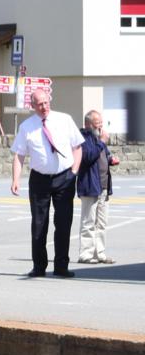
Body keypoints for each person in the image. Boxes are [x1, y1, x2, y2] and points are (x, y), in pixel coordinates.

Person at [10, 90, 83, 277]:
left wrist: (73, 172)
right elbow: (19, 155)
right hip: (39, 180)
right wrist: (16, 179)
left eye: (46, 102)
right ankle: (39, 266)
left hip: (64, 177)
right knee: (39, 224)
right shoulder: (27, 127)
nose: (44, 107)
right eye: (39, 104)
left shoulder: (64, 119)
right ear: (32, 106)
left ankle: (61, 266)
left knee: (63, 223)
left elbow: (77, 147)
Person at [76, 110, 117, 264]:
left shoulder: (99, 138)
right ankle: (86, 254)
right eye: (97, 123)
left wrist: (111, 159)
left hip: (103, 186)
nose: (100, 126)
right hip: (90, 185)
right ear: (88, 124)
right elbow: (87, 157)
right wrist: (102, 142)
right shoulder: (83, 138)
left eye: (101, 123)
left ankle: (99, 253)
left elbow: (104, 154)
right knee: (89, 222)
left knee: (101, 223)